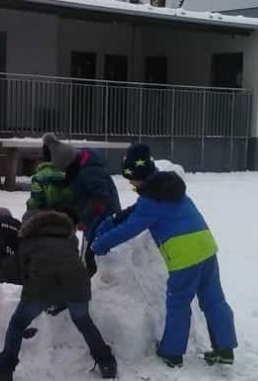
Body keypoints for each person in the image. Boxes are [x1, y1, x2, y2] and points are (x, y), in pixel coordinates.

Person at [90, 143, 237, 368]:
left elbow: (130, 228)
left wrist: (100, 245)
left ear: (139, 175)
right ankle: (224, 349)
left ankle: (171, 353)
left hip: (184, 256)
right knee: (213, 299)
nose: (130, 184)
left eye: (131, 179)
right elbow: (139, 211)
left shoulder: (152, 201)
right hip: (206, 247)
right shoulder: (166, 188)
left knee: (178, 302)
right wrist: (117, 217)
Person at [0, 210, 117, 381]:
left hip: (41, 288)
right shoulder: (69, 240)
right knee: (84, 322)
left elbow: (18, 269)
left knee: (17, 324)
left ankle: (3, 372)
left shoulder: (28, 242)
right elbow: (67, 266)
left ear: (31, 227)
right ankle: (107, 363)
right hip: (77, 286)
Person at [41, 133, 121, 277]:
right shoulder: (80, 165)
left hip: (103, 215)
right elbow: (81, 191)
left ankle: (98, 282)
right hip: (95, 213)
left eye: (63, 169)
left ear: (68, 164)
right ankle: (92, 278)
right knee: (93, 248)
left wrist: (83, 218)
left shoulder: (89, 171)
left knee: (95, 250)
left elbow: (99, 197)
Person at [24, 144, 74, 216]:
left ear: (44, 156)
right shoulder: (73, 174)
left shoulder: (39, 177)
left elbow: (34, 203)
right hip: (70, 220)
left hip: (46, 220)